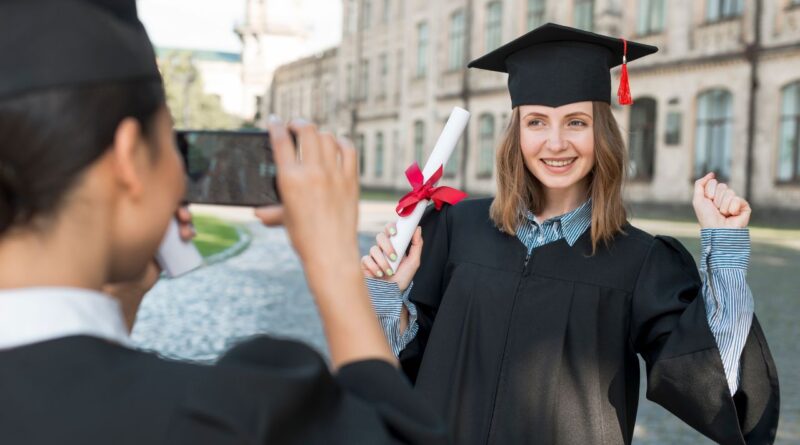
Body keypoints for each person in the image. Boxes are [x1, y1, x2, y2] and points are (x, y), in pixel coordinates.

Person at [0, 0, 447, 443]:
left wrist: (123, 300)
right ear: (129, 158)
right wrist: (334, 260)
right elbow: (395, 434)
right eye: (172, 141)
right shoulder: (222, 416)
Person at [362, 23, 779, 444]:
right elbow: (399, 371)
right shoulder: (456, 228)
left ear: (602, 133)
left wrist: (724, 247)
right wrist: (388, 295)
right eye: (537, 122)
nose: (556, 143)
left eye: (576, 122)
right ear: (517, 133)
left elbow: (714, 384)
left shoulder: (639, 262)